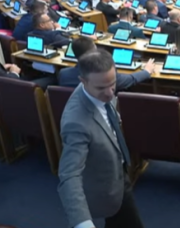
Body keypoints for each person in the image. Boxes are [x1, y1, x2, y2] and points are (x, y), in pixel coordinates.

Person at [57, 50, 146, 228]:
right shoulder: (76, 122)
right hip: (106, 186)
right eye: (101, 88)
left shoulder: (100, 83)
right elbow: (69, 175)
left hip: (118, 171)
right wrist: (82, 224)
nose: (109, 93)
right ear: (83, 81)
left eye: (112, 84)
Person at [57, 37, 154, 89]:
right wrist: (146, 71)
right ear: (94, 52)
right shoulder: (104, 75)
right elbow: (130, 79)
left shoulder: (63, 74)